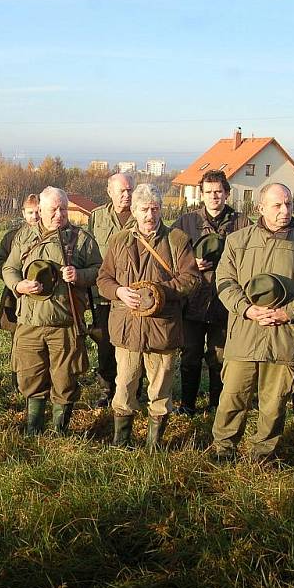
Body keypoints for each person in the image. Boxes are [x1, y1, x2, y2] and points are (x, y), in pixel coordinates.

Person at [211, 183, 294, 462]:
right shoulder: (238, 241)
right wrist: (246, 309)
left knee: (274, 402)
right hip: (245, 334)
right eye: (277, 205)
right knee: (232, 396)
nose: (285, 211)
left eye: (288, 204)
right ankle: (223, 448)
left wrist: (288, 312)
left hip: (286, 338)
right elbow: (224, 281)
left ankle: (262, 453)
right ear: (260, 207)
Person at [96, 183, 200, 450]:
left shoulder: (176, 240)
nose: (150, 215)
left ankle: (154, 446)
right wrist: (119, 291)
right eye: (144, 209)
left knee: (160, 389)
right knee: (125, 385)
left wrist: (158, 293)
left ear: (161, 209)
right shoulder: (119, 240)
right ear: (134, 210)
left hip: (162, 328)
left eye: (155, 209)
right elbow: (103, 279)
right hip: (127, 329)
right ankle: (122, 443)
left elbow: (191, 279)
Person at [3, 186, 102, 435]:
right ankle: (33, 429)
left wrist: (79, 275)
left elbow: (100, 271)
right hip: (29, 323)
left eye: (63, 209)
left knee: (65, 378)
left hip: (65, 323)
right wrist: (19, 285)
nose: (60, 214)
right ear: (41, 210)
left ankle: (60, 432)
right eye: (53, 209)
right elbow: (9, 268)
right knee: (30, 377)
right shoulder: (24, 237)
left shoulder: (81, 240)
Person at [172, 170, 251, 415]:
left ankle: (216, 405)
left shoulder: (242, 223)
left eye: (219, 191)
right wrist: (190, 263)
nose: (214, 196)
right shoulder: (186, 223)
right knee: (190, 356)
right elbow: (168, 257)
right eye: (209, 192)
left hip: (226, 302)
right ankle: (187, 404)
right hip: (192, 301)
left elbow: (252, 259)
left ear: (227, 193)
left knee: (219, 357)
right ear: (202, 195)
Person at [87, 173, 137, 408]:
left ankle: (135, 389)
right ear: (110, 192)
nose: (127, 195)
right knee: (105, 344)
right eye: (122, 191)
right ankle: (107, 388)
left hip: (135, 294)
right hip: (105, 295)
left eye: (130, 190)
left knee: (134, 343)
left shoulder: (141, 215)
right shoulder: (97, 217)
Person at [0, 193, 40, 391]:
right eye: (30, 212)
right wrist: (15, 281)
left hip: (43, 296)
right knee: (18, 340)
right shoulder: (12, 237)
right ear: (23, 213)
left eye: (38, 212)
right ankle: (16, 381)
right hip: (15, 296)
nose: (34, 217)